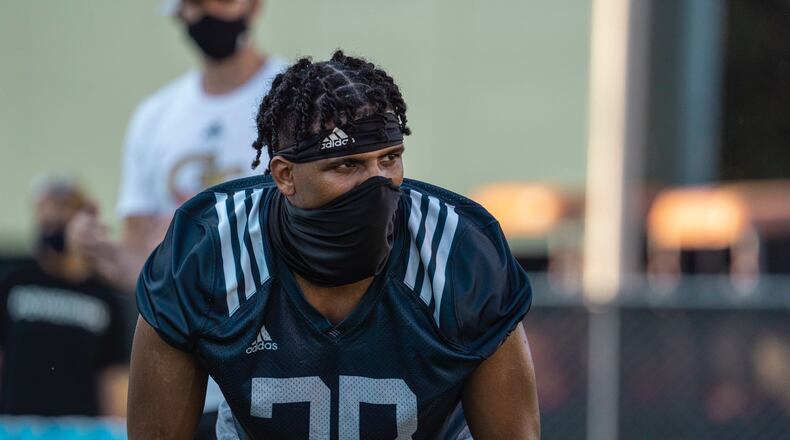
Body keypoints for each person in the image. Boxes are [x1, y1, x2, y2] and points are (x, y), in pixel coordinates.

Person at [128, 51, 540, 439]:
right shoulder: (208, 249)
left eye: (390, 158)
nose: (377, 183)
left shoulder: (459, 253)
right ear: (285, 175)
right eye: (347, 164)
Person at [66, 0, 287, 433]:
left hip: (284, 370)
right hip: (191, 379)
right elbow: (144, 262)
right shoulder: (156, 117)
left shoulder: (296, 97)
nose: (207, 14)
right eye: (194, 5)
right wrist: (97, 248)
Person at [0, 176, 129, 417]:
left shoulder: (104, 297)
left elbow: (114, 380)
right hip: (17, 430)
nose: (52, 218)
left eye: (62, 207)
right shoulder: (13, 284)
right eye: (45, 209)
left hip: (79, 431)